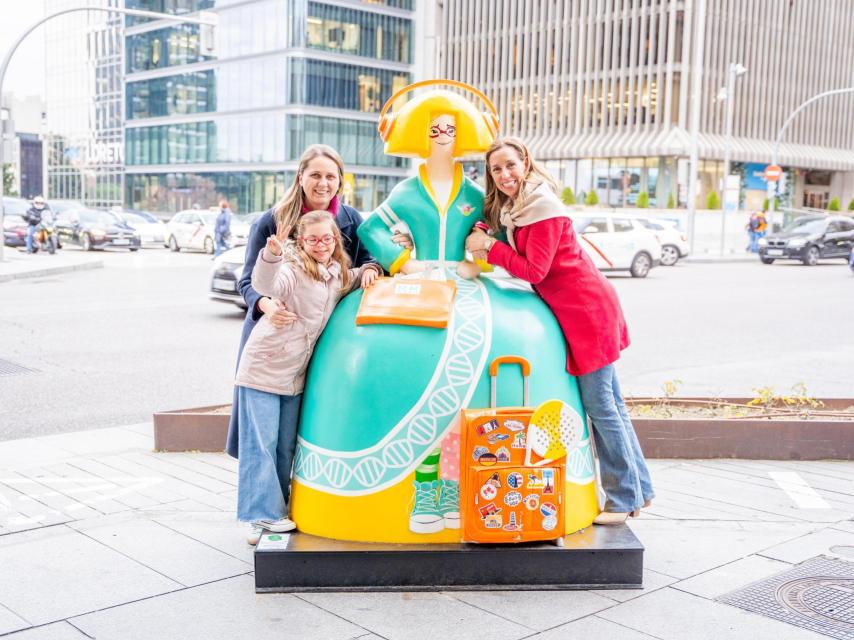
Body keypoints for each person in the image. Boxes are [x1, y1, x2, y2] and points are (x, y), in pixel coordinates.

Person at [285, 84, 600, 544]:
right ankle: (417, 492)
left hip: (468, 285)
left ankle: (474, 492)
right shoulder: (408, 189)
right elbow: (374, 226)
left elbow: (495, 234)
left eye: (450, 131)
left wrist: (481, 257)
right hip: (419, 281)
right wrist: (401, 263)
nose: (441, 138)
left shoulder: (476, 192)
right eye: (433, 130)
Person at [464, 137, 654, 525]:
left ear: (526, 162)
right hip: (580, 308)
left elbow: (535, 270)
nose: (504, 175)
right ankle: (639, 491)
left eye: (510, 166)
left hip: (586, 310)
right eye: (496, 170)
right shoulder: (521, 207)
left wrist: (489, 247)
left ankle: (621, 499)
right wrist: (485, 229)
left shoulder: (544, 208)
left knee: (601, 407)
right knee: (612, 405)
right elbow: (500, 227)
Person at [235, 210, 381, 545]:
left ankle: (272, 513)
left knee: (285, 446)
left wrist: (371, 268)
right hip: (264, 367)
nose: (321, 245)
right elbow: (266, 285)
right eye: (313, 239)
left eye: (327, 238)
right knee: (262, 445)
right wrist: (271, 254)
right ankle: (263, 514)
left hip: (294, 374)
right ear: (301, 242)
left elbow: (357, 275)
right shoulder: (293, 270)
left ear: (335, 240)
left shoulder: (335, 274)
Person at [225, 144, 376, 462]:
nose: (323, 183)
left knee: (296, 435)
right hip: (277, 334)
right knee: (264, 433)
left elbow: (368, 261)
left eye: (331, 176)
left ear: (340, 181)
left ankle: (291, 498)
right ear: (300, 177)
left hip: (323, 337)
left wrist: (374, 267)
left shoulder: (351, 220)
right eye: (315, 175)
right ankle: (261, 506)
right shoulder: (274, 221)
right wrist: (265, 304)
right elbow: (248, 281)